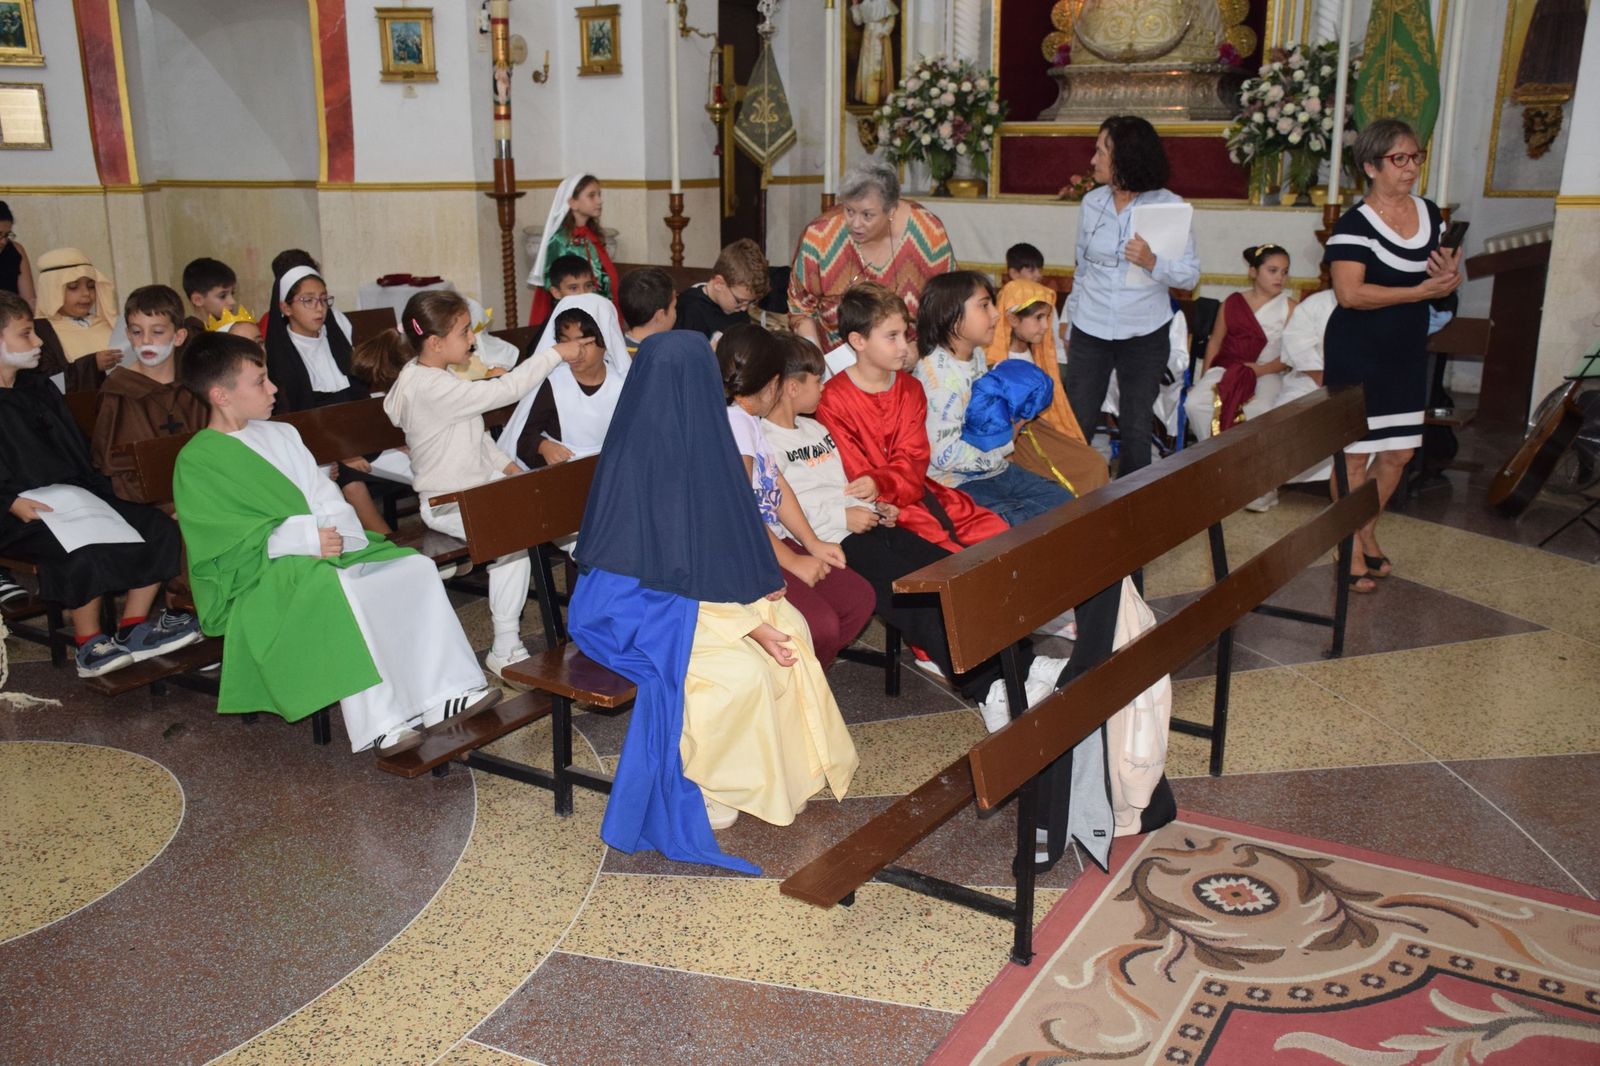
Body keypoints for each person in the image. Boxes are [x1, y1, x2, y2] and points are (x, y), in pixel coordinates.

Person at [568, 330, 857, 869]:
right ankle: (717, 785)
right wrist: (742, 626)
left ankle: (784, 776)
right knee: (737, 673)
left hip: (688, 599)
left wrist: (754, 610)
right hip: (629, 610)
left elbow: (724, 540)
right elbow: (640, 579)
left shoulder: (707, 441)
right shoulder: (638, 452)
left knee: (788, 626)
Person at [173, 331, 501, 755]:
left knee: (413, 568)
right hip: (262, 575)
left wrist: (337, 535)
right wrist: (304, 539)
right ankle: (381, 722)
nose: (273, 388)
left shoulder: (282, 435)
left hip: (323, 551)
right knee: (342, 591)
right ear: (220, 394)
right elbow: (219, 538)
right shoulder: (198, 460)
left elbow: (323, 496)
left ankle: (447, 693)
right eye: (259, 381)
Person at [762, 331, 1068, 731]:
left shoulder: (815, 432)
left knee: (953, 572)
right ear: (790, 387)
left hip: (863, 523)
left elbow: (841, 485)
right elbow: (781, 507)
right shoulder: (766, 441)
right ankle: (989, 690)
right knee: (918, 599)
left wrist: (877, 507)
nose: (824, 386)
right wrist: (845, 518)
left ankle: (1024, 662)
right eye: (817, 380)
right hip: (831, 542)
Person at [0, 291, 202, 678]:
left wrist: (95, 491)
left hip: (73, 494)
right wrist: (10, 501)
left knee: (156, 527)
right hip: (17, 513)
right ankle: (89, 644)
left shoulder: (38, 387)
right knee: (83, 548)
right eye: (27, 334)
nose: (39, 341)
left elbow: (74, 448)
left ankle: (134, 627)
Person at [381, 289, 578, 681]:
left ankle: (598, 603)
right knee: (514, 537)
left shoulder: (438, 376)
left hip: (481, 488)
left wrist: (509, 468)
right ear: (435, 343)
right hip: (447, 501)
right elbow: (503, 392)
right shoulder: (428, 386)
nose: (473, 339)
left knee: (559, 511)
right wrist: (555, 353)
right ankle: (504, 647)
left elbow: (475, 436)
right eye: (464, 331)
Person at [1325, 118, 1461, 592]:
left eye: (1415, 157)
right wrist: (1419, 290)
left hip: (1404, 348)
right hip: (1357, 350)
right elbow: (1349, 295)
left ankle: (1365, 531)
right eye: (1398, 159)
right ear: (1370, 166)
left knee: (1400, 451)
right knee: (1355, 457)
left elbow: (1439, 279)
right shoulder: (1353, 225)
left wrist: (1446, 282)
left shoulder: (1430, 215)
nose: (1410, 168)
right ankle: (1350, 549)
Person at [719, 324, 874, 667]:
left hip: (770, 539)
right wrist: (792, 562)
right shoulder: (734, 424)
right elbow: (743, 510)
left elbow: (776, 484)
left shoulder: (750, 420)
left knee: (857, 597)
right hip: (746, 549)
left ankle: (797, 678)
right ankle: (785, 683)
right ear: (773, 382)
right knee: (819, 626)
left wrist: (812, 542)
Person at [816, 283, 1008, 556]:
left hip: (915, 490)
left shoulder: (911, 388)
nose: (904, 347)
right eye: (891, 337)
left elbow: (914, 458)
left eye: (905, 334)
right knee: (947, 554)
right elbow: (854, 472)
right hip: (879, 507)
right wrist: (878, 492)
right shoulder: (832, 399)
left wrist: (883, 483)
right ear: (858, 341)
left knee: (995, 531)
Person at [1062, 115, 1200, 477]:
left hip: (1144, 333)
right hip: (1090, 329)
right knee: (1078, 420)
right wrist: (1069, 318)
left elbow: (1190, 275)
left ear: (1126, 157)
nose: (1093, 160)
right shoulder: (1092, 202)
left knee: (1137, 426)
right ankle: (1068, 503)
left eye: (1101, 151)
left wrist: (1153, 262)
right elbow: (1082, 266)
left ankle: (1131, 508)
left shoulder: (1168, 206)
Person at [913, 272, 1075, 527]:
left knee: (1065, 504)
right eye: (984, 305)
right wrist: (1006, 440)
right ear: (953, 316)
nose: (996, 314)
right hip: (953, 483)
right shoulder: (939, 378)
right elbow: (944, 456)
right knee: (1016, 524)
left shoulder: (976, 355)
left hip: (993, 470)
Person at [263, 264, 391, 534]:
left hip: (359, 438)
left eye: (323, 299)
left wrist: (390, 437)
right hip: (318, 446)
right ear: (285, 308)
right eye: (308, 301)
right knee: (353, 483)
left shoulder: (335, 341)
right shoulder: (279, 358)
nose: (319, 308)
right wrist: (340, 453)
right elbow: (293, 420)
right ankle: (394, 549)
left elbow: (360, 399)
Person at [787, 161, 956, 349]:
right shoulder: (820, 236)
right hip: (835, 363)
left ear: (891, 210)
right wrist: (818, 362)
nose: (855, 224)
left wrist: (918, 349)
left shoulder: (928, 232)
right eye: (849, 211)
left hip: (909, 358)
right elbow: (800, 309)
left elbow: (948, 303)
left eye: (867, 215)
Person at [989, 278, 1111, 497]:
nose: (1046, 326)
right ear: (1012, 318)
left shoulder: (1036, 354)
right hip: (1017, 439)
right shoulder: (994, 361)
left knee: (1096, 464)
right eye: (1038, 318)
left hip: (1040, 431)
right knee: (1069, 479)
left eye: (1047, 317)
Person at [90, 286, 208, 502]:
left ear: (179, 336)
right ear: (128, 334)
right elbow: (113, 467)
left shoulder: (193, 388)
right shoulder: (118, 392)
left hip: (203, 496)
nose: (145, 340)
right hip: (147, 505)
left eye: (157, 332)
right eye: (137, 332)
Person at [499, 293, 631, 470]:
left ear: (606, 340)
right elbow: (523, 435)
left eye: (585, 343)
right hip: (562, 474)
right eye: (565, 343)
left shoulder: (623, 383)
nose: (575, 353)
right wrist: (543, 446)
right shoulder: (552, 384)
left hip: (612, 468)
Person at [1183, 243, 1296, 440]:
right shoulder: (1233, 302)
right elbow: (1215, 343)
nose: (1280, 277)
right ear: (1253, 272)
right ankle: (1212, 450)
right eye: (1273, 270)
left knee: (1263, 409)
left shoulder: (1290, 307)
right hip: (1227, 367)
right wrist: (1205, 377)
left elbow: (1291, 355)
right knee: (1194, 403)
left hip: (1266, 372)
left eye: (1285, 272)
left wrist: (1261, 369)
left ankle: (1247, 460)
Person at [526, 174, 618, 326]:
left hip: (600, 309)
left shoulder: (591, 235)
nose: (599, 201)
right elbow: (554, 285)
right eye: (591, 196)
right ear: (572, 202)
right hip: (574, 318)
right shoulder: (560, 241)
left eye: (599, 195)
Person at [1268, 286, 1337, 486]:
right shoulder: (1316, 303)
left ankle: (1346, 480)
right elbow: (1296, 341)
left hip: (1356, 383)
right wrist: (1318, 373)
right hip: (1309, 377)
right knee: (1283, 415)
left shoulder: (1375, 302)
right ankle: (1274, 480)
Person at [34, 247, 122, 393]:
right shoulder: (40, 332)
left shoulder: (108, 324)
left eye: (91, 286)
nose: (86, 294)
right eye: (73, 287)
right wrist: (92, 365)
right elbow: (47, 383)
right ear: (51, 290)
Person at [675, 239, 769, 342]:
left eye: (750, 302)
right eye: (739, 301)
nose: (744, 309)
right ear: (719, 284)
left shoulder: (738, 310)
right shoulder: (689, 309)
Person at [1004, 241, 1068, 366]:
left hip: (1051, 358)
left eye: (1040, 270)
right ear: (1014, 274)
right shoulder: (1006, 301)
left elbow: (1053, 339)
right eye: (1031, 270)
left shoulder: (1046, 299)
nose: (1038, 275)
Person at [617, 267, 677, 357]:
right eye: (674, 307)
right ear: (660, 316)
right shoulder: (664, 357)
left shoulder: (614, 350)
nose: (676, 312)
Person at [0, 202, 37, 310]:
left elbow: (29, 302)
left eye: (6, 235)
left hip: (12, 320)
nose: (3, 241)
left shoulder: (16, 250)